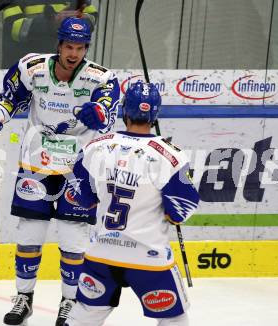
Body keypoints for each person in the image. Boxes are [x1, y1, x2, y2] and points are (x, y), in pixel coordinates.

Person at [0, 17, 120, 326]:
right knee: (30, 232)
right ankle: (23, 298)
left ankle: (70, 301)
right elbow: (9, 101)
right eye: (69, 46)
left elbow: (107, 114)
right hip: (36, 162)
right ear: (59, 44)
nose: (73, 53)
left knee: (73, 238)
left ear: (86, 49)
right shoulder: (32, 67)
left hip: (78, 168)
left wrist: (98, 114)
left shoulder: (102, 78)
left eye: (80, 48)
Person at [64, 81, 200, 326]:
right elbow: (182, 210)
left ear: (123, 110)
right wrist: (170, 215)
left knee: (82, 318)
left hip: (101, 255)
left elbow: (79, 195)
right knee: (174, 320)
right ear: (155, 114)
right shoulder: (170, 155)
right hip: (148, 259)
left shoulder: (95, 146)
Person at [1, 0, 98, 68]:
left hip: (66, 68)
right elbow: (13, 27)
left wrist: (78, 20)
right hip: (28, 68)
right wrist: (52, 23)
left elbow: (91, 16)